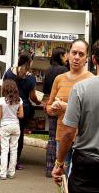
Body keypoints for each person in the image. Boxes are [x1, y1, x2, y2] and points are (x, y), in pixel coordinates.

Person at [51, 39, 99, 192]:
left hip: (87, 163)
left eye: (81, 54)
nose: (77, 57)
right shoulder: (61, 79)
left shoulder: (82, 88)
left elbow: (69, 132)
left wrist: (59, 164)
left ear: (92, 59)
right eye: (74, 53)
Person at [3, 51, 41, 170]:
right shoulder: (31, 78)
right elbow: (33, 97)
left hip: (9, 107)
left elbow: (3, 88)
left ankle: (6, 159)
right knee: (18, 136)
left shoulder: (9, 72)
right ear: (30, 62)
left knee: (7, 135)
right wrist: (40, 101)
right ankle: (16, 161)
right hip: (23, 110)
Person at [43, 47, 69, 177]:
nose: (68, 58)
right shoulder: (64, 71)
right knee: (60, 138)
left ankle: (48, 168)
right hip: (60, 107)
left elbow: (44, 89)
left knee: (51, 138)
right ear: (61, 56)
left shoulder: (48, 70)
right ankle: (58, 167)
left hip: (50, 105)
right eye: (66, 55)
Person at [0, 79, 24, 180]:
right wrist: (15, 113)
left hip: (5, 126)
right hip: (15, 126)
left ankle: (2, 174)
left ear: (4, 89)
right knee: (14, 150)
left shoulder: (1, 100)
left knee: (4, 150)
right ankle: (11, 173)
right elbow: (21, 115)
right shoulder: (19, 100)